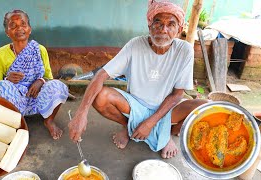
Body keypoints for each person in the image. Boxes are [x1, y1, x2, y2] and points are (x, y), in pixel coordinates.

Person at [68, 1, 207, 159]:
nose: (163, 30)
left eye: (171, 24)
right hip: (134, 106)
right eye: (158, 23)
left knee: (204, 107)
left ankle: (166, 134)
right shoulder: (135, 45)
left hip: (166, 109)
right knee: (101, 97)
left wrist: (150, 123)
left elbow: (177, 95)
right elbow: (101, 75)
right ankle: (129, 128)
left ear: (179, 30)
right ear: (149, 26)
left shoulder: (185, 50)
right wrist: (81, 114)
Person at [0, 10, 69, 140]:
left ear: (30, 29)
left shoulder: (39, 49)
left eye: (23, 24)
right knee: (1, 86)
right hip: (15, 98)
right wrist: (7, 79)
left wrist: (40, 81)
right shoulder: (0, 53)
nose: (19, 28)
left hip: (36, 95)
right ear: (7, 32)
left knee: (58, 86)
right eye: (13, 26)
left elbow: (49, 77)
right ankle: (17, 125)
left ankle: (49, 121)